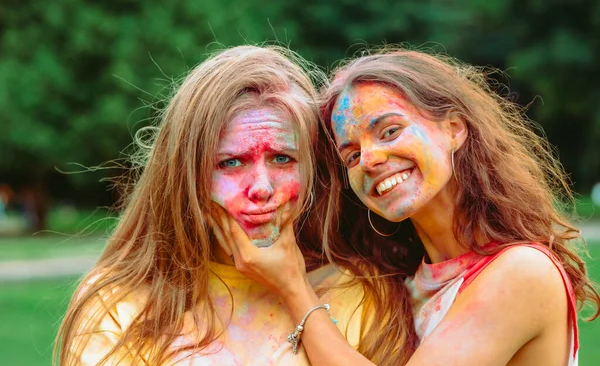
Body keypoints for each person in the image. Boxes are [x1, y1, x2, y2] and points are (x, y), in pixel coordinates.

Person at [220, 48, 600, 365]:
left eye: (389, 131)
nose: (369, 159)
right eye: (351, 155)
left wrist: (292, 286)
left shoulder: (522, 272)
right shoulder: (403, 277)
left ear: (454, 129)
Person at [55, 46, 411, 365]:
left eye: (282, 158)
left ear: (313, 169)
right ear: (185, 175)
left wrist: (294, 289)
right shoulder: (121, 303)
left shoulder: (364, 293)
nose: (261, 187)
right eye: (231, 162)